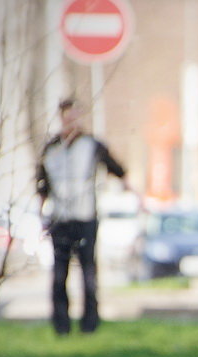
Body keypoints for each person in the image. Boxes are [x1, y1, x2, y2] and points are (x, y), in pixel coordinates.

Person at [36, 98, 128, 335]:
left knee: (88, 274)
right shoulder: (51, 148)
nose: (72, 122)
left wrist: (130, 189)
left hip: (85, 216)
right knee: (59, 275)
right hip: (60, 219)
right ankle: (61, 326)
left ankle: (90, 325)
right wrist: (41, 213)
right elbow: (42, 184)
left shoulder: (91, 145)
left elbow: (116, 168)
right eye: (68, 117)